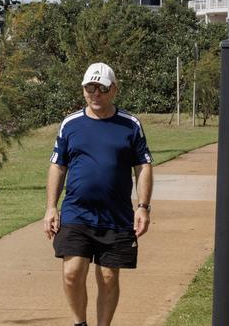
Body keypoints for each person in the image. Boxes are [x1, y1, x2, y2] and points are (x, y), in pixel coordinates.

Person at [43, 62, 154, 326]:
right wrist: (51, 207)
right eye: (90, 87)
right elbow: (58, 166)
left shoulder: (130, 124)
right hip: (76, 212)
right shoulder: (70, 124)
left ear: (113, 90)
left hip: (115, 216)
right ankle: (79, 323)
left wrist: (143, 207)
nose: (96, 93)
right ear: (83, 90)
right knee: (72, 272)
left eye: (102, 88)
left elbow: (144, 165)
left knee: (108, 277)